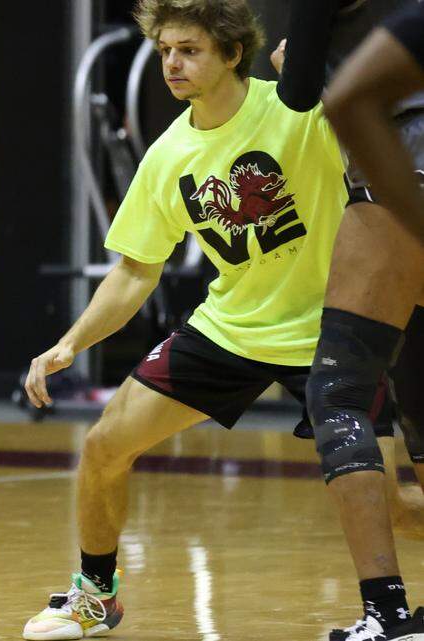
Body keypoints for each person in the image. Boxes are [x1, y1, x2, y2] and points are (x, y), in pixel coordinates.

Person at [18, 1, 397, 638]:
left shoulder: (295, 109)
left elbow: (378, 143)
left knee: (391, 503)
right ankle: (95, 596)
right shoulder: (169, 156)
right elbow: (136, 272)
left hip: (332, 328)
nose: (172, 62)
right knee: (105, 445)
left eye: (189, 50)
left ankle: (385, 611)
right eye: (165, 49)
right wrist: (70, 343)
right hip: (232, 329)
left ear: (230, 54)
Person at [274, 1, 424, 638]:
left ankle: (385, 615)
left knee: (339, 394)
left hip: (403, 174)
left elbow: (301, 93)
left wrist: (289, 62)